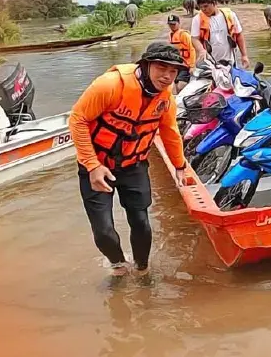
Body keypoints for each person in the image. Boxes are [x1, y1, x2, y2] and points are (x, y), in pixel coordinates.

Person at [68, 42, 189, 279]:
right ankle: (118, 266)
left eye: (173, 71)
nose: (167, 76)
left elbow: (170, 132)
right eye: (161, 67)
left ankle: (143, 271)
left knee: (142, 223)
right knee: (103, 231)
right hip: (97, 166)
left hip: (134, 165)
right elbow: (78, 120)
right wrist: (92, 166)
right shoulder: (110, 85)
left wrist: (180, 166)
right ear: (145, 65)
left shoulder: (165, 100)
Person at [190, 0, 249, 68]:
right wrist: (201, 50)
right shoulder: (197, 19)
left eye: (206, 6)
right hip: (210, 64)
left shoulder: (230, 15)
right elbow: (194, 39)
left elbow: (239, 35)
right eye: (201, 7)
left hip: (230, 62)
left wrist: (244, 55)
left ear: (214, 3)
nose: (203, 9)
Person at [167, 14, 196, 92]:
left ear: (178, 23)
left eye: (174, 24)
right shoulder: (170, 35)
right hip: (176, 64)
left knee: (181, 86)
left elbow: (192, 49)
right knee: (175, 85)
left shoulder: (184, 35)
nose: (172, 26)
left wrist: (192, 66)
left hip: (185, 64)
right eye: (170, 24)